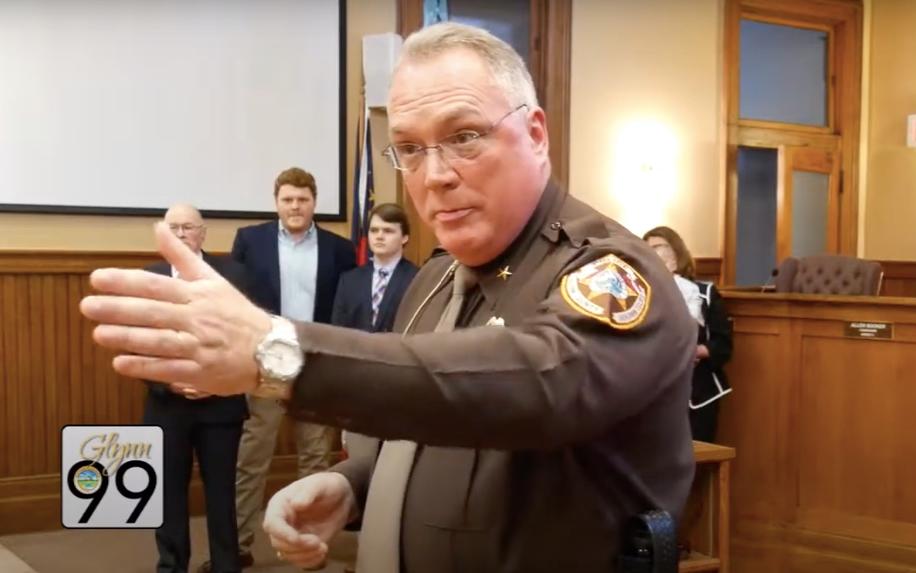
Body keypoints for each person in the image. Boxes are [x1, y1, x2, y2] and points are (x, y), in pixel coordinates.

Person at [81, 22, 695, 573]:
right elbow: (429, 418)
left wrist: (277, 350)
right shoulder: (432, 280)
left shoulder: (611, 271)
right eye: (409, 148)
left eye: (465, 136)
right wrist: (355, 484)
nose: (435, 174)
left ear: (535, 133)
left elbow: (535, 386)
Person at [222, 167, 357, 570]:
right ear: (276, 202)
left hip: (315, 365)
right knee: (252, 457)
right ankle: (239, 544)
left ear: (314, 202)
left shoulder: (340, 249)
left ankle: (307, 547)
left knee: (314, 458)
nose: (295, 207)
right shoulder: (251, 241)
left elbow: (344, 306)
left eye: (302, 199)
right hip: (264, 365)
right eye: (287, 199)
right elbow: (238, 300)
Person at [142, 204, 248, 573]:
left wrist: (216, 382)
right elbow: (138, 344)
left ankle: (226, 565)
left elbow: (246, 341)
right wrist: (169, 380)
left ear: (203, 233)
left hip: (221, 406)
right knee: (168, 495)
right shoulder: (149, 278)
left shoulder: (233, 275)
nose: (182, 234)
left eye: (189, 227)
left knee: (221, 496)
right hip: (167, 407)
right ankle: (171, 566)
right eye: (174, 228)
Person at [643, 226, 733, 442]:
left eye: (659, 247)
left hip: (699, 394)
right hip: (654, 394)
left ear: (676, 252)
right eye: (647, 249)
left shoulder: (704, 293)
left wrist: (697, 351)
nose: (654, 254)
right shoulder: (641, 295)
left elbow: (723, 345)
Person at [330, 202, 418, 333]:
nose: (379, 236)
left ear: (404, 238)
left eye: (388, 231)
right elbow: (338, 330)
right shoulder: (349, 280)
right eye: (374, 230)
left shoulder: (417, 278)